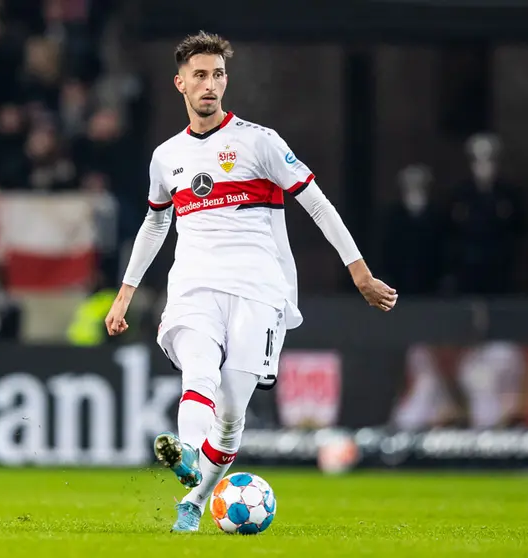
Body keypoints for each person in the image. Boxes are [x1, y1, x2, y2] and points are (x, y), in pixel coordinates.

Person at [103, 31, 396, 532]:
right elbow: (155, 223)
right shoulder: (165, 157)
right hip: (193, 284)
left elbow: (317, 203)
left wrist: (359, 270)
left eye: (218, 74)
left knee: (233, 413)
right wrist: (126, 291)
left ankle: (193, 501)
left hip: (259, 288)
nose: (210, 84)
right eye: (200, 75)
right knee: (199, 372)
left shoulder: (259, 142)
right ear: (181, 84)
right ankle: (187, 454)